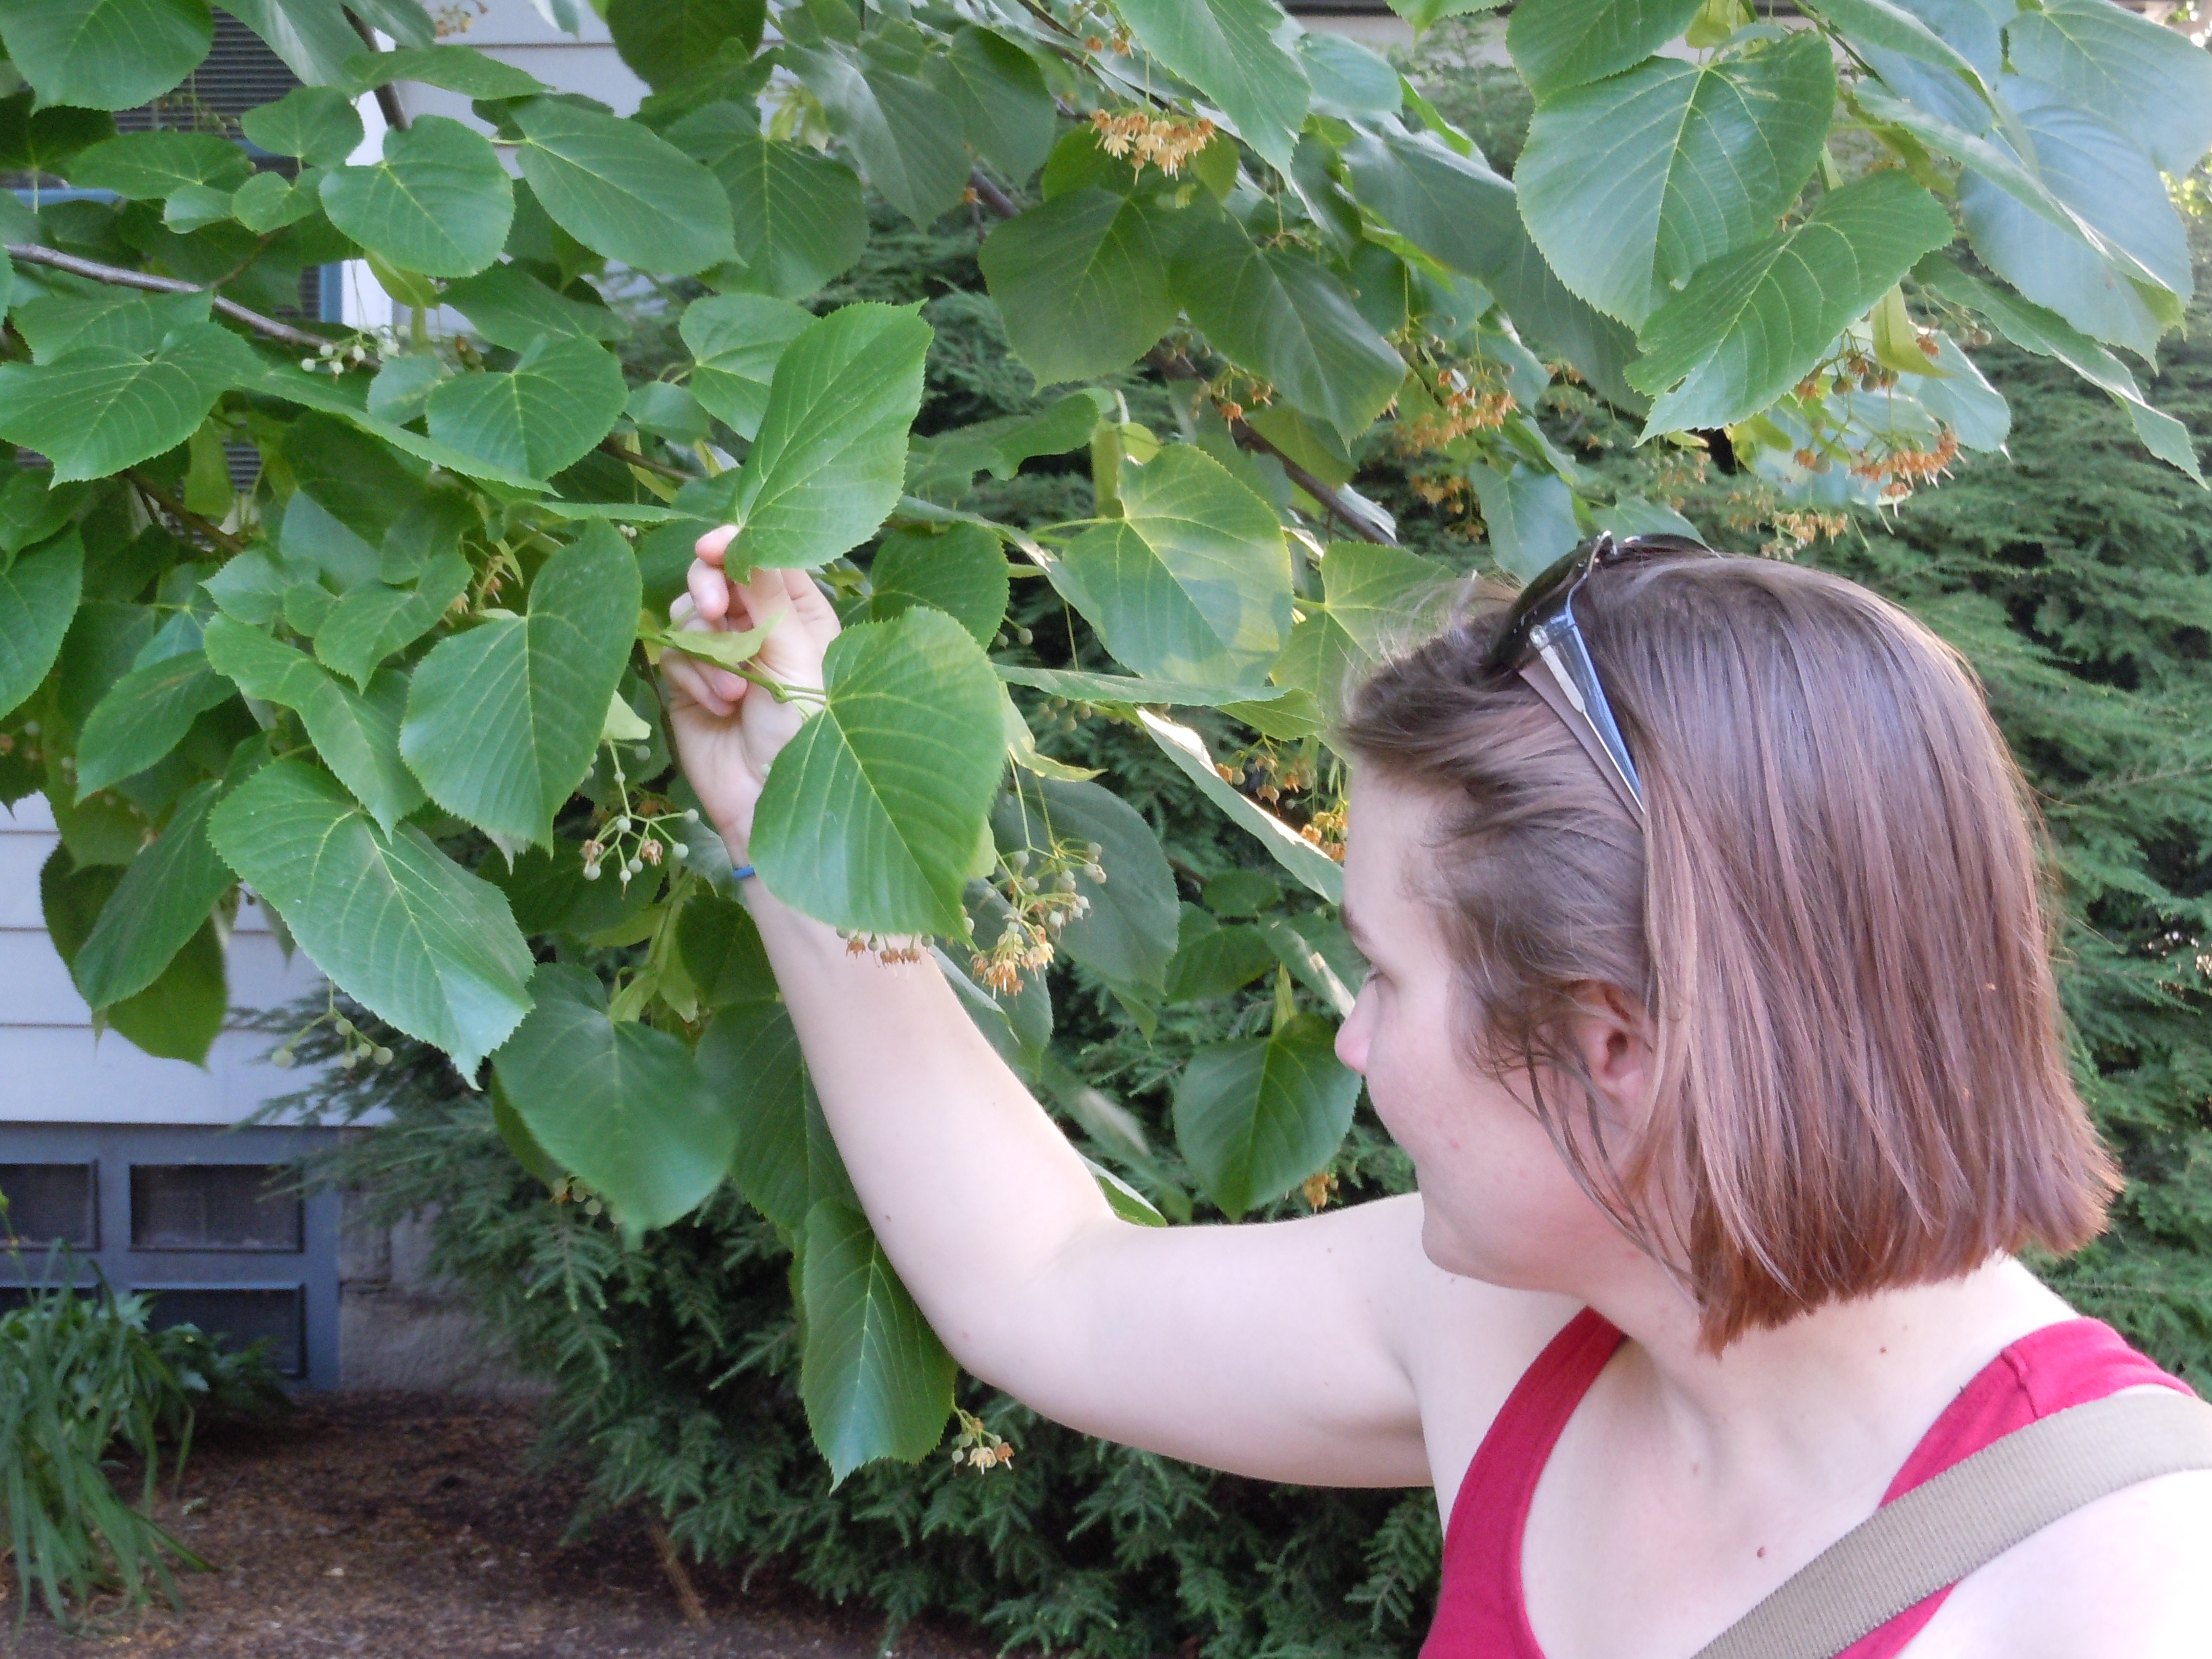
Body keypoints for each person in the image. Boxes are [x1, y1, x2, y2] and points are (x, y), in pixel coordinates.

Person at [663, 527, 2212, 1659]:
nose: (1352, 1041)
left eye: (1384, 977)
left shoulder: (2129, 1589)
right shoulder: (1519, 1329)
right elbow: (1039, 1281)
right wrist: (788, 821)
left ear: (1610, 1044)